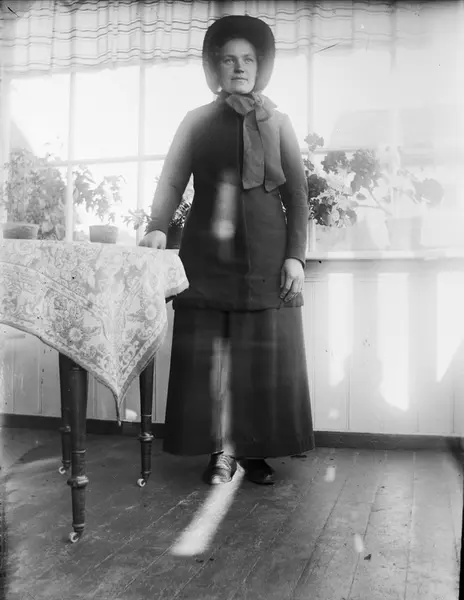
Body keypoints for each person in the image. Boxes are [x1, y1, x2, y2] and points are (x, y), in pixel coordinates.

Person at [140, 15, 314, 486]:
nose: (239, 67)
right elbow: (171, 180)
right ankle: (220, 452)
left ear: (261, 66)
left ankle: (256, 452)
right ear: (215, 68)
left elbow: (298, 195)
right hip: (209, 255)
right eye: (229, 60)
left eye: (248, 59)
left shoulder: (280, 123)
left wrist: (295, 256)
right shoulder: (196, 121)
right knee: (212, 358)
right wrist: (157, 228)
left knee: (261, 357)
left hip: (268, 254)